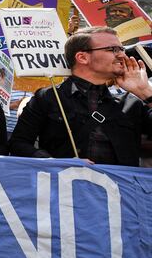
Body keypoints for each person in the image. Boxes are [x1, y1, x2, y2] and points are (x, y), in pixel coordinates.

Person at [10, 26, 152, 165]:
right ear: (82, 57)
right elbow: (18, 143)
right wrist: (54, 163)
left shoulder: (132, 102)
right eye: (113, 49)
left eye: (121, 49)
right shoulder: (49, 97)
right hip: (63, 186)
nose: (122, 55)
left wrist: (145, 91)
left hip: (122, 187)